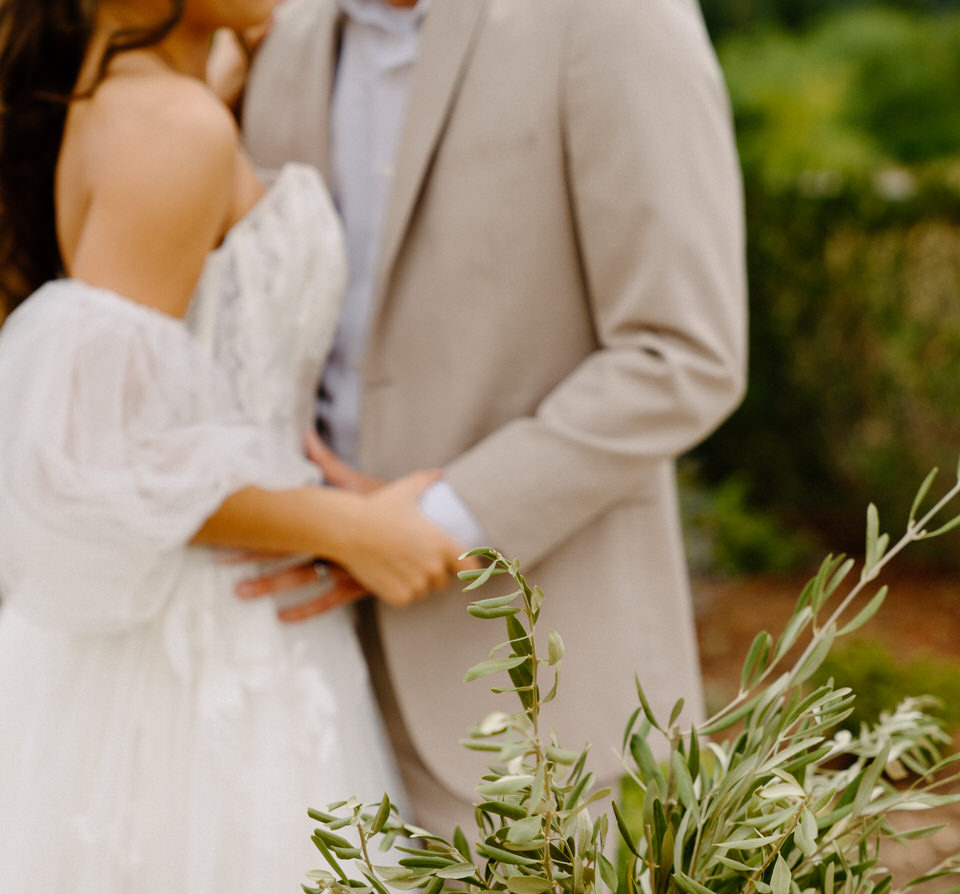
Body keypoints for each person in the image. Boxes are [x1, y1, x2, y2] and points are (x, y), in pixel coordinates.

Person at [0, 0, 464, 894]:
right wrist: (349, 527)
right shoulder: (178, 127)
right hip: (208, 643)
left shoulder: (142, 96)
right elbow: (95, 458)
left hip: (220, 625)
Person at [231, 0, 748, 837]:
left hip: (546, 707)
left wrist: (434, 523)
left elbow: (682, 352)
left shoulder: (617, 19)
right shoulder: (280, 38)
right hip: (292, 688)